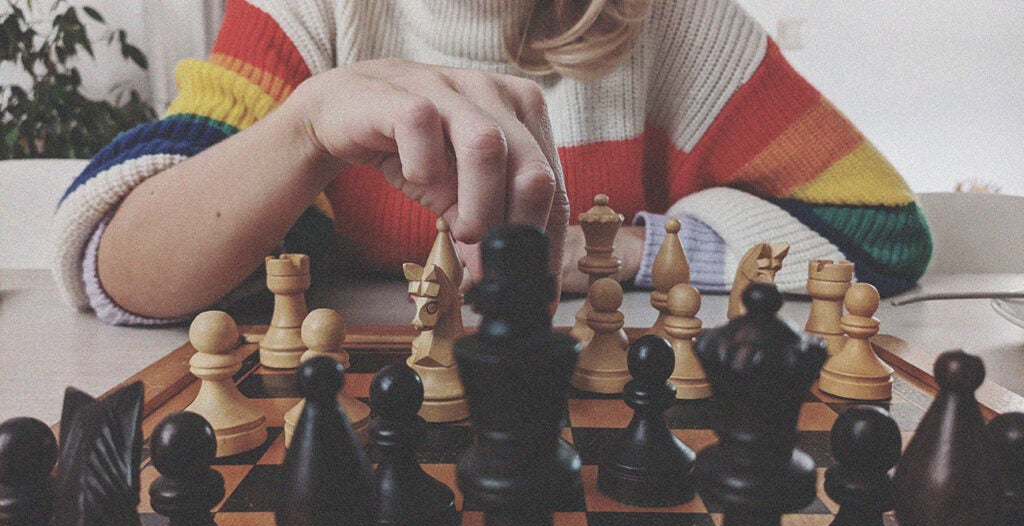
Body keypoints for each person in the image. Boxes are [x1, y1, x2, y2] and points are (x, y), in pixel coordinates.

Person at [53, 0, 932, 326]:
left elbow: (880, 235)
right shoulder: (305, 10)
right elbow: (114, 264)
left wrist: (619, 250)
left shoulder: (679, 22)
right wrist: (306, 127)